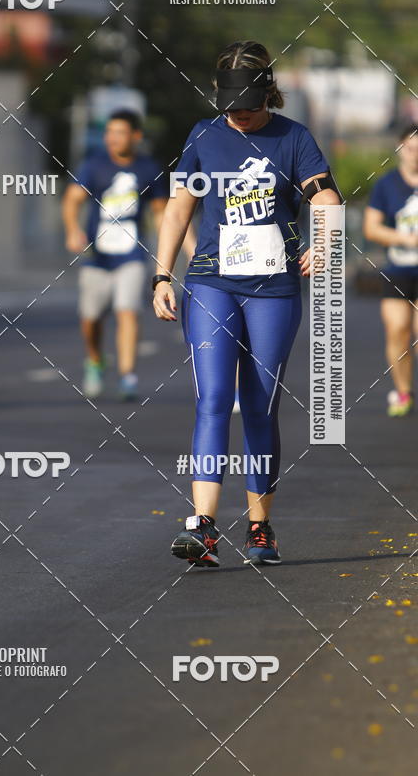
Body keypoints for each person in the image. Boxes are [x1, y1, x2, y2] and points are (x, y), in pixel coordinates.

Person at [153, 40, 342, 567]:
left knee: (259, 404)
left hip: (273, 290)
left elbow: (325, 195)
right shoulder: (204, 136)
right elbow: (177, 210)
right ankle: (203, 527)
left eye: (247, 107)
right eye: (229, 106)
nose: (238, 116)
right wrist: (162, 275)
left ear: (268, 96)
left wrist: (323, 241)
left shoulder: (293, 137)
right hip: (212, 282)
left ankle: (260, 528)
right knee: (213, 398)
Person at [63, 109, 196, 401]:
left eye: (120, 132)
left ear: (136, 136)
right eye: (109, 132)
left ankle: (127, 376)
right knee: (91, 317)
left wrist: (186, 249)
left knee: (127, 311)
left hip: (132, 254)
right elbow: (73, 199)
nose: (112, 138)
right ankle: (95, 360)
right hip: (96, 255)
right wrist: (73, 229)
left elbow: (166, 214)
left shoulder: (148, 169)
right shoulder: (94, 164)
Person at [364, 124, 418, 416]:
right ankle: (403, 391)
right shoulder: (386, 185)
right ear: (400, 149)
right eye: (411, 148)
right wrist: (404, 238)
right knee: (398, 330)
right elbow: (371, 228)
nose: (415, 155)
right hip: (398, 269)